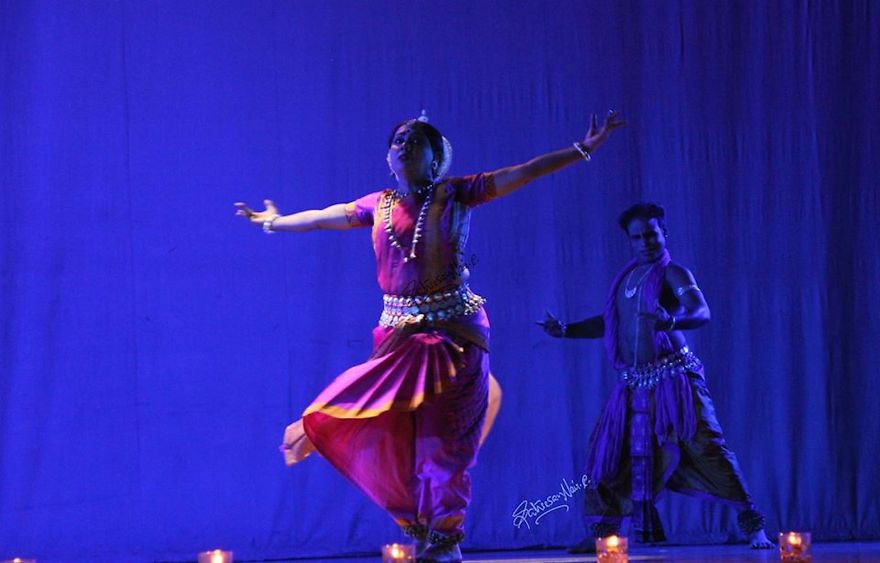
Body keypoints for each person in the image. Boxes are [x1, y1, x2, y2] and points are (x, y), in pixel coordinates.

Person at [235, 110, 624, 562]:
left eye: (416, 141)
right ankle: (424, 526)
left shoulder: (457, 194)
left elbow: (523, 172)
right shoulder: (376, 205)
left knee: (444, 443)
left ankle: (445, 537)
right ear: (387, 157)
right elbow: (324, 218)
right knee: (396, 440)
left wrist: (582, 149)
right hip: (398, 341)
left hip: (454, 336)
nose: (404, 146)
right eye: (398, 140)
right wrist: (275, 222)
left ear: (436, 157)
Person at [540, 203, 773, 552]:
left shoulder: (674, 273)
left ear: (664, 232)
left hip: (675, 379)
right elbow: (610, 324)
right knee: (609, 452)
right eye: (638, 237)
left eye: (651, 233)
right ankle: (605, 534)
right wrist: (566, 330)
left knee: (707, 446)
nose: (646, 241)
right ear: (630, 241)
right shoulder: (627, 279)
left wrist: (672, 322)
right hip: (634, 383)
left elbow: (701, 311)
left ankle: (753, 526)